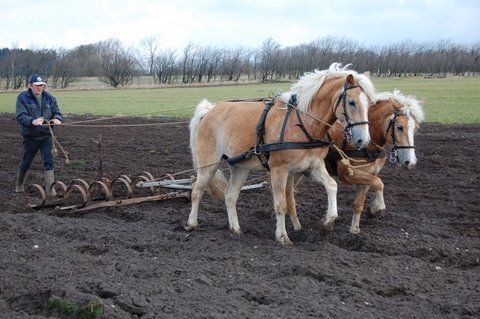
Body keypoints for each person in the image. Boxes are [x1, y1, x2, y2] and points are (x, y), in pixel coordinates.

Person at [15, 74, 63, 196]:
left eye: (41, 85)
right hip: (31, 136)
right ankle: (19, 185)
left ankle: (50, 190)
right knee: (27, 161)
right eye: (37, 86)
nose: (39, 88)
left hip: (46, 135)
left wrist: (57, 119)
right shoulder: (23, 98)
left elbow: (57, 113)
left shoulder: (50, 98)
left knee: (49, 161)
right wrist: (33, 121)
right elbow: (20, 116)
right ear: (30, 86)